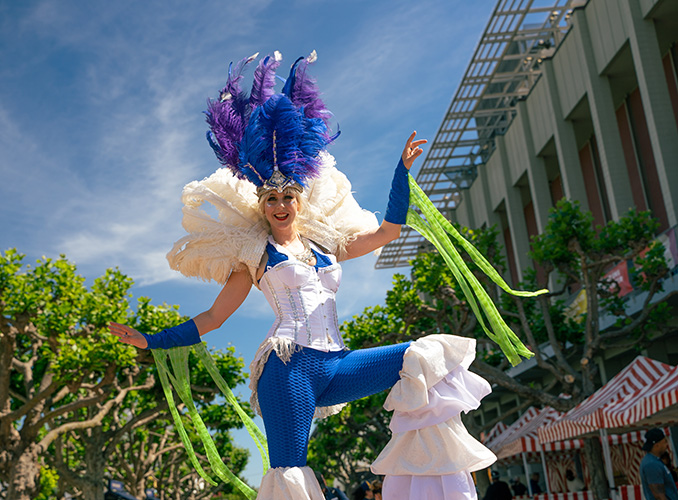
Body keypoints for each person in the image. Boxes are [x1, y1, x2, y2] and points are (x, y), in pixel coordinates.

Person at [107, 51, 538, 500]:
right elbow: (214, 318)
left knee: (422, 357)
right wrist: (152, 340)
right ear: (262, 206)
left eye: (286, 198)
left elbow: (388, 231)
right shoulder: (254, 255)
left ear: (299, 202)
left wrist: (401, 173)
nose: (278, 206)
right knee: (290, 470)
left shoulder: (326, 245)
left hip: (336, 362)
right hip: (288, 366)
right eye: (270, 199)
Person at [640, 429, 678, 500]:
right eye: (664, 442)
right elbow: (659, 496)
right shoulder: (651, 464)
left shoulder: (655, 461)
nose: (666, 445)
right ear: (657, 445)